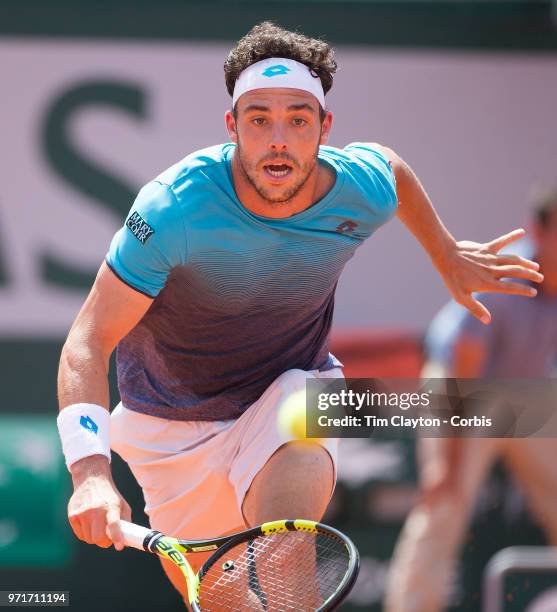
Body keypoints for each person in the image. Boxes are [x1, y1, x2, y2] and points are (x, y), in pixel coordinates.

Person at [56, 22, 543, 606]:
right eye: (259, 119)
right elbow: (88, 340)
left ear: (324, 128)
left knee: (289, 556)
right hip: (167, 431)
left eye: (298, 118)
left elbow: (392, 168)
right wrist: (89, 474)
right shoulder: (173, 209)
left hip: (292, 391)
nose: (279, 139)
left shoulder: (357, 186)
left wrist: (446, 253)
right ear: (233, 126)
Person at [384, 189, 557, 612]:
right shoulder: (503, 277)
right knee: (444, 499)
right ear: (539, 231)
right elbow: (462, 369)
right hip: (462, 389)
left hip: (523, 397)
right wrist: (447, 458)